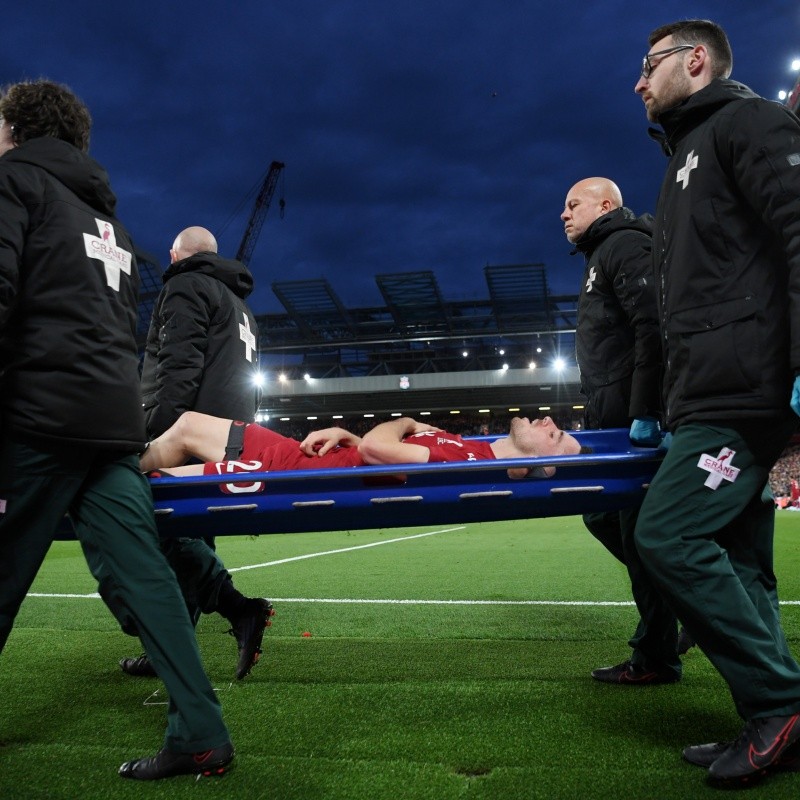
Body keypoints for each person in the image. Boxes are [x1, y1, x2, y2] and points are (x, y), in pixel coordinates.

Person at [0, 80, 233, 779]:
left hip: (36, 421)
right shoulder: (114, 227)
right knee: (150, 579)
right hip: (109, 424)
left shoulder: (14, 185)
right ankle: (201, 733)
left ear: (16, 128)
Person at [632, 19, 800, 788]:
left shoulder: (751, 121)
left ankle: (780, 703)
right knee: (739, 560)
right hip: (709, 394)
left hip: (744, 395)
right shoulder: (683, 160)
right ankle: (771, 717)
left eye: (650, 65)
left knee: (666, 537)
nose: (639, 82)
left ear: (695, 61)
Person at [120, 227, 273, 683]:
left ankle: (240, 608)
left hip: (188, 434)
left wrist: (156, 433)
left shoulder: (184, 284)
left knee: (163, 532)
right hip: (228, 437)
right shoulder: (239, 304)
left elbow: (176, 366)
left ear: (174, 255)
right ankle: (170, 649)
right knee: (189, 536)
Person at [562, 177, 686, 685]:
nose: (564, 215)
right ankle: (680, 610)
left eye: (573, 205)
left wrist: (646, 412)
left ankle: (658, 653)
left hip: (633, 422)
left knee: (638, 535)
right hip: (607, 416)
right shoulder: (601, 254)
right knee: (601, 516)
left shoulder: (625, 244)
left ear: (606, 204)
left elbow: (652, 326)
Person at [139, 412, 584, 479]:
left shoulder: (462, 460)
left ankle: (98, 472)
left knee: (152, 483)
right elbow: (370, 449)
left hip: (284, 474)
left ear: (538, 461)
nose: (549, 421)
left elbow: (377, 451)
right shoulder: (470, 447)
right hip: (301, 453)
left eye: (555, 433)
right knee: (186, 425)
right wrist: (351, 437)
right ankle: (110, 463)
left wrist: (406, 420)